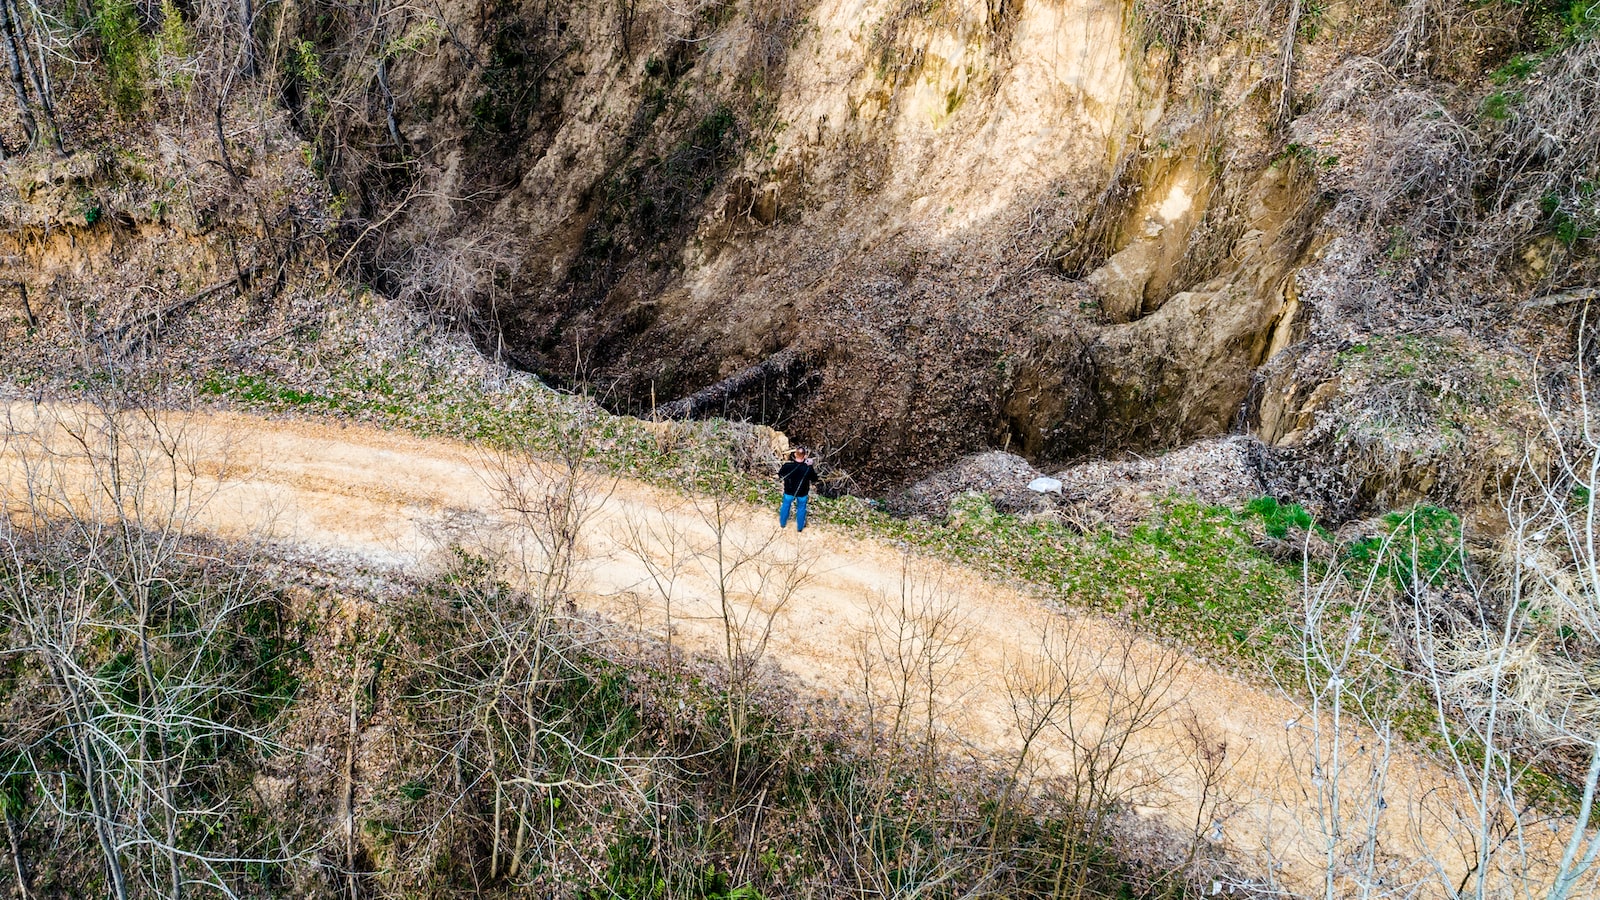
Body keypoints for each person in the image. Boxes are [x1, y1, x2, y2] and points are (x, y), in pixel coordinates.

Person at [777, 447, 818, 532]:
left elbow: (780, 475)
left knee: (785, 505)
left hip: (789, 491)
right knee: (801, 508)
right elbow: (815, 479)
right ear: (805, 456)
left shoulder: (787, 466)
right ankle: (799, 528)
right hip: (802, 493)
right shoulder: (808, 468)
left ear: (795, 454)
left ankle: (782, 523)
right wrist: (810, 466)